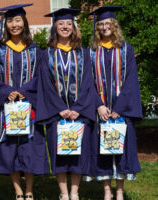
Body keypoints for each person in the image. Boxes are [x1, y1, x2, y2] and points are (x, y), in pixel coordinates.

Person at [0, 4, 50, 200]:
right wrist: (6, 91)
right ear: (5, 25)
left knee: (29, 148)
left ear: (24, 22)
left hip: (29, 107)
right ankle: (18, 190)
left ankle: (30, 190)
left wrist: (25, 91)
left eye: (17, 20)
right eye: (10, 21)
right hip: (6, 106)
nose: (14, 25)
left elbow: (43, 78)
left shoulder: (35, 51)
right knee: (10, 150)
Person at [36, 8, 96, 200]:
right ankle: (63, 193)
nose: (65, 27)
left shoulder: (84, 53)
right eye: (61, 24)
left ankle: (75, 193)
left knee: (77, 151)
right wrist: (61, 108)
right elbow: (45, 84)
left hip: (79, 113)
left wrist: (77, 109)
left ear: (74, 27)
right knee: (59, 153)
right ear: (55, 27)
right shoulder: (47, 54)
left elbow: (89, 82)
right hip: (57, 114)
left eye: (68, 24)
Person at [85, 6, 142, 200]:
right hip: (100, 110)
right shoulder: (91, 51)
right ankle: (107, 192)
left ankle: (119, 192)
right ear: (97, 27)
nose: (104, 26)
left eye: (107, 23)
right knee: (103, 149)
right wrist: (98, 105)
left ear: (114, 25)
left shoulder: (126, 49)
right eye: (100, 24)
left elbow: (131, 80)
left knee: (120, 149)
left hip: (120, 111)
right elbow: (87, 82)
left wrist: (119, 107)